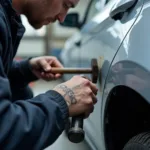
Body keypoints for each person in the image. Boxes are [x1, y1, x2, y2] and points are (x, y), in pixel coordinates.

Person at [0, 0, 98, 149]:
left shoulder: (9, 17)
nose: (62, 18)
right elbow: (4, 131)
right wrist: (63, 100)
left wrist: (24, 70)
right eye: (66, 4)